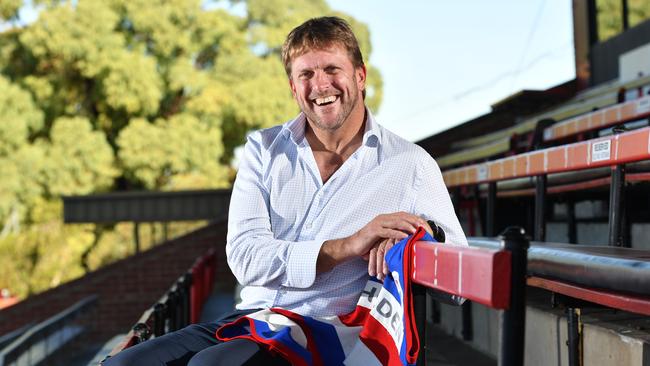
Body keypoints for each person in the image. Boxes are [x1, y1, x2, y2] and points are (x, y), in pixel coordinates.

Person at [105, 16, 467, 366]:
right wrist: (346, 246)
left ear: (360, 76)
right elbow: (246, 258)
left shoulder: (410, 163)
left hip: (327, 333)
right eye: (306, 74)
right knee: (125, 363)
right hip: (249, 319)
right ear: (294, 88)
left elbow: (457, 286)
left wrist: (421, 232)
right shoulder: (264, 149)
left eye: (331, 69)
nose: (320, 85)